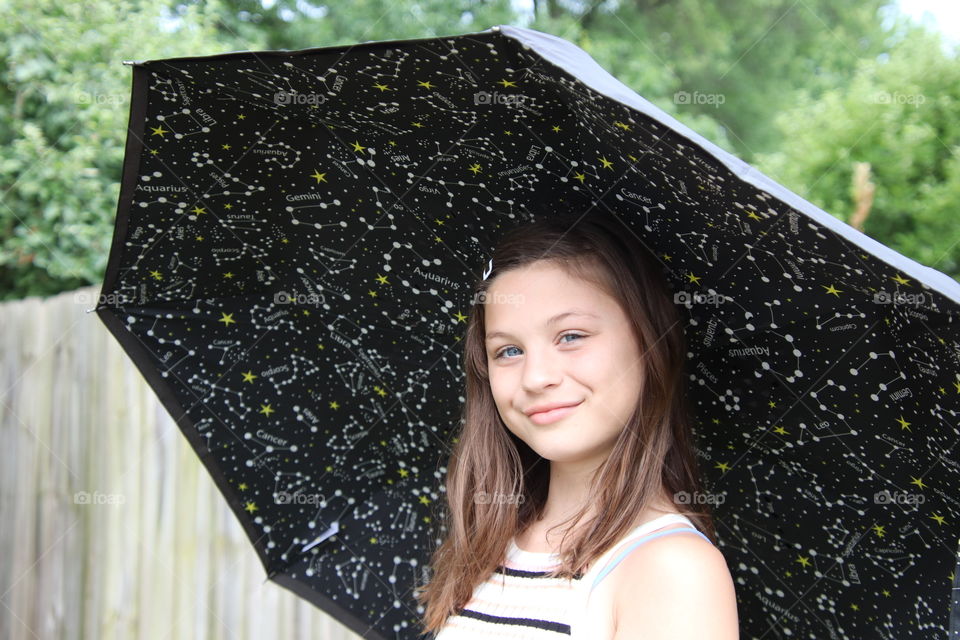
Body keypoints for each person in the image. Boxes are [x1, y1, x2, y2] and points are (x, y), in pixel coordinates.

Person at [415, 212, 739, 639]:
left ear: (650, 342)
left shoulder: (670, 569)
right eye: (509, 350)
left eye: (571, 336)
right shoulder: (490, 547)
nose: (535, 377)